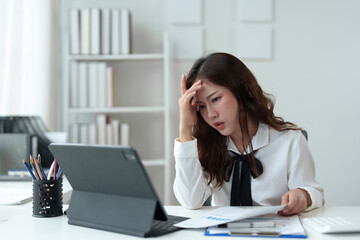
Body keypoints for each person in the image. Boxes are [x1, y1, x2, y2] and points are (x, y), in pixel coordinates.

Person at [173, 52, 324, 216]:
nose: (210, 114)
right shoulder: (210, 144)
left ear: (241, 91)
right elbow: (190, 201)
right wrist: (185, 127)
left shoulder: (290, 141)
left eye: (215, 99)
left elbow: (314, 192)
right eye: (201, 106)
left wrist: (303, 195)